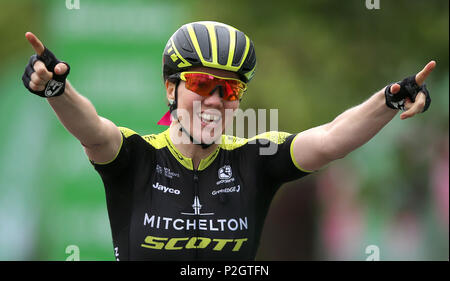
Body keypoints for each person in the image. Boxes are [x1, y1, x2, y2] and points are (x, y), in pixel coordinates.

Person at [21, 21, 435, 261]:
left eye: (230, 90)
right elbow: (91, 128)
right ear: (171, 88)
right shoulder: (136, 155)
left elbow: (329, 139)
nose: (215, 101)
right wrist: (58, 90)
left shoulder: (255, 159)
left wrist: (389, 100)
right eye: (202, 84)